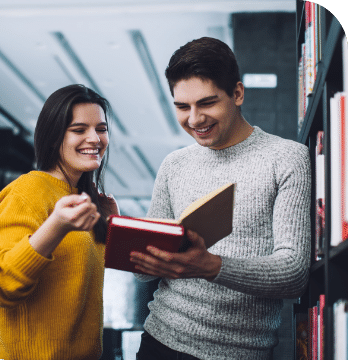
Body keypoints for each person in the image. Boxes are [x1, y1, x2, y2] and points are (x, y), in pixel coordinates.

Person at [130, 37, 311, 360]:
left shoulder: (287, 158)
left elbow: (294, 272)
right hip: (160, 342)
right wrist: (124, 236)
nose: (195, 119)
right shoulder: (174, 164)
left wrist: (212, 266)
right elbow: (145, 273)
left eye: (207, 103)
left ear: (237, 94)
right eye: (183, 107)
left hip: (241, 353)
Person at [0, 84, 119, 360]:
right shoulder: (28, 190)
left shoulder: (84, 199)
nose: (95, 138)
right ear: (55, 138)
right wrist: (55, 226)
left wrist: (113, 225)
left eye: (101, 129)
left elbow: (77, 279)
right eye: (79, 130)